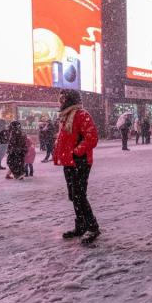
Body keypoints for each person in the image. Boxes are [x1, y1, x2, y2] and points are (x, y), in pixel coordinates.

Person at [53, 89, 101, 245]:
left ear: (69, 99)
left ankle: (92, 227)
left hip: (80, 162)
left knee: (80, 195)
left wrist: (76, 152)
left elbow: (91, 137)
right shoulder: (65, 116)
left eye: (63, 98)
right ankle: (80, 225)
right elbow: (63, 140)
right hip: (69, 162)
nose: (60, 101)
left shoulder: (81, 114)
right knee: (73, 195)